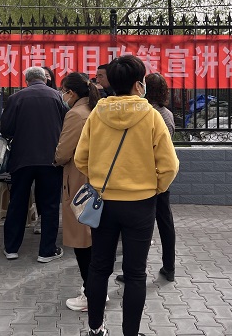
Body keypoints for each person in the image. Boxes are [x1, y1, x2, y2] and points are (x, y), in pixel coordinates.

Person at [75, 55, 179, 336]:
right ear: (138, 84)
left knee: (99, 268)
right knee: (135, 273)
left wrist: (99, 180)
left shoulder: (97, 114)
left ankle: (95, 329)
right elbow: (169, 166)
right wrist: (154, 187)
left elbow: (80, 158)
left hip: (104, 202)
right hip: (140, 204)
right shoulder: (152, 116)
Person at [0, 66, 67, 262]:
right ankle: (47, 251)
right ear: (45, 79)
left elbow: (6, 129)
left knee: (17, 202)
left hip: (22, 159)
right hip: (51, 159)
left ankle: (11, 248)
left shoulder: (16, 98)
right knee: (50, 205)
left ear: (26, 80)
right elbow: (67, 125)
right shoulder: (58, 97)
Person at [117, 72, 176, 283]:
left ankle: (132, 271)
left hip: (142, 178)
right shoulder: (166, 114)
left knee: (136, 229)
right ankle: (169, 266)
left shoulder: (145, 114)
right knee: (165, 222)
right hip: (160, 177)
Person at [55, 72, 101, 311]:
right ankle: (95, 290)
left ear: (71, 92)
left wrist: (55, 158)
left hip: (79, 182)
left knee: (82, 240)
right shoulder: (97, 109)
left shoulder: (76, 114)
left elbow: (63, 152)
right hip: (98, 181)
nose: (62, 96)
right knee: (95, 239)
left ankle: (91, 294)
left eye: (63, 91)